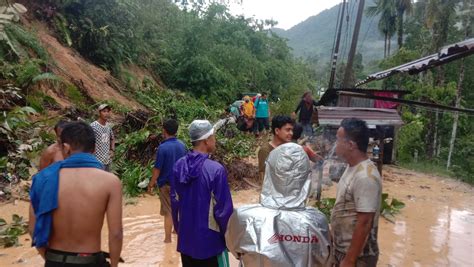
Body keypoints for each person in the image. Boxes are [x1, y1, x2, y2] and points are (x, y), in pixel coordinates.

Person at [29, 122, 123, 267]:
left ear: (65, 148)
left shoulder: (43, 179)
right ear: (94, 149)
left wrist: (51, 259)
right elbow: (116, 234)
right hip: (90, 261)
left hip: (54, 259)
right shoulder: (110, 182)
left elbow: (34, 230)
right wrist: (114, 264)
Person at [226, 143, 331, 266]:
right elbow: (324, 259)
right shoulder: (318, 221)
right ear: (306, 175)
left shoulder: (244, 217)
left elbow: (234, 249)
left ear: (269, 171)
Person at [170, 120, 233, 267]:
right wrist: (230, 239)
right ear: (206, 140)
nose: (215, 141)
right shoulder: (216, 170)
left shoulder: (178, 166)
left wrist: (180, 231)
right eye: (213, 137)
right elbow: (223, 211)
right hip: (210, 244)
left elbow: (174, 202)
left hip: (186, 242)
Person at [331, 118, 382, 267]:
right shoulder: (352, 167)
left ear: (351, 145)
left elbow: (365, 222)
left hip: (358, 257)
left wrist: (350, 260)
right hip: (343, 250)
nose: (335, 144)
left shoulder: (365, 177)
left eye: (338, 140)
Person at [147, 118, 187, 243]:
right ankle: (177, 231)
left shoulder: (162, 148)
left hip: (166, 185)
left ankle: (168, 239)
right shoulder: (182, 145)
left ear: (164, 130)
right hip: (180, 183)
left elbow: (157, 169)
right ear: (176, 131)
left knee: (168, 211)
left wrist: (151, 184)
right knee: (178, 208)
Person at [257, 115, 294, 181]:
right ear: (277, 131)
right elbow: (264, 177)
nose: (291, 133)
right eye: (288, 130)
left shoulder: (289, 148)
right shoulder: (265, 151)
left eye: (291, 130)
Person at [90, 104, 115, 171]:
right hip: (97, 161)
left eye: (107, 111)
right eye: (104, 111)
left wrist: (112, 150)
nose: (106, 113)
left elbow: (112, 138)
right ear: (99, 113)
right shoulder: (93, 126)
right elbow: (88, 141)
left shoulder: (108, 126)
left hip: (107, 160)